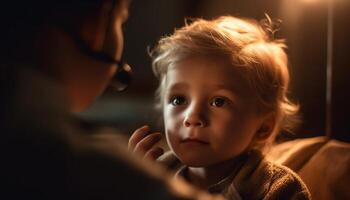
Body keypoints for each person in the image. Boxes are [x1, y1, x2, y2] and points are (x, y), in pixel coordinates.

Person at [0, 0, 223, 199]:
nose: (192, 118)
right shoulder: (111, 177)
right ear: (95, 27)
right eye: (121, 22)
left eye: (219, 101)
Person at [128, 16, 311, 199]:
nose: (192, 118)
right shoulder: (151, 175)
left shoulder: (279, 189)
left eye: (219, 102)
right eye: (178, 100)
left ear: (263, 127)